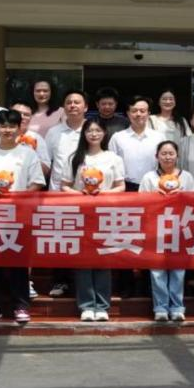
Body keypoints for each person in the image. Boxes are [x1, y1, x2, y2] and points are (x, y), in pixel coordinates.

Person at [0, 109, 45, 324]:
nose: (7, 130)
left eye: (12, 126)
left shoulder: (28, 153)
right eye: (3, 126)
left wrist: (19, 197)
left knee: (18, 262)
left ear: (19, 128)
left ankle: (20, 306)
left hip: (19, 215)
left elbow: (37, 182)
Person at [62, 118, 125, 322]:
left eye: (98, 130)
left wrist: (103, 194)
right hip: (81, 214)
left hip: (106, 214)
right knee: (83, 260)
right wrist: (81, 195)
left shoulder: (113, 158)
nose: (94, 134)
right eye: (90, 130)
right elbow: (64, 186)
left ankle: (102, 305)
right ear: (84, 134)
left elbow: (121, 186)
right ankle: (87, 305)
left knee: (103, 259)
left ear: (104, 133)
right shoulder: (75, 158)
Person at [109, 96, 165, 297]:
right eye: (134, 111)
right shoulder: (118, 137)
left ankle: (149, 285)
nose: (139, 114)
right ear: (128, 113)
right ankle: (126, 285)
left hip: (153, 188)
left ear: (149, 113)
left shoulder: (158, 137)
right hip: (127, 189)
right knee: (126, 237)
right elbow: (112, 165)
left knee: (150, 237)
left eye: (143, 110)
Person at [139, 140, 194, 323]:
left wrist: (181, 195)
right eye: (163, 153)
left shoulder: (186, 177)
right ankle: (160, 308)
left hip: (180, 228)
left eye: (171, 153)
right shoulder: (149, 177)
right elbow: (140, 202)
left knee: (178, 270)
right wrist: (156, 197)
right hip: (156, 229)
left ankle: (177, 307)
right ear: (157, 156)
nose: (167, 157)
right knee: (157, 271)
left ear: (177, 156)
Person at [44, 89, 91, 298]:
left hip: (87, 195)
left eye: (77, 102)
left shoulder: (93, 130)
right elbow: (47, 162)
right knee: (61, 238)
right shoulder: (54, 132)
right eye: (69, 102)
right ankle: (60, 280)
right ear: (64, 107)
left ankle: (83, 283)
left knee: (85, 239)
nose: (73, 105)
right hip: (58, 194)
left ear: (86, 107)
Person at [0, 102, 50, 178]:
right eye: (17, 113)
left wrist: (31, 155)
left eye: (26, 115)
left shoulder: (37, 138)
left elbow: (46, 169)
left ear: (31, 117)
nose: (22, 117)